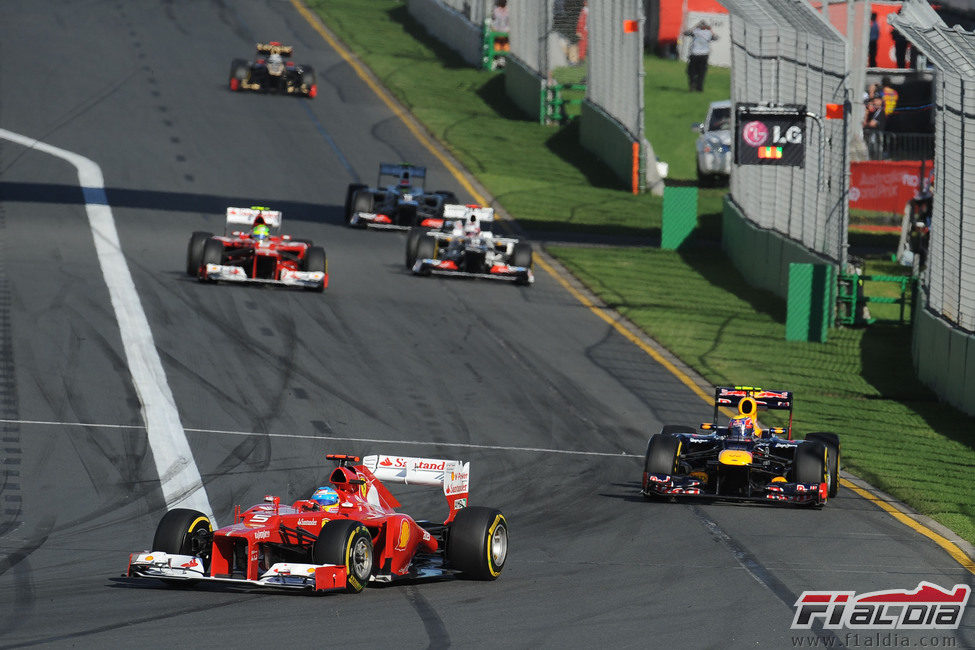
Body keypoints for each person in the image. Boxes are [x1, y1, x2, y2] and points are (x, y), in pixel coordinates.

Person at [683, 21, 717, 92]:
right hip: (704, 55)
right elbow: (716, 38)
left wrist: (694, 27)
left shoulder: (695, 32)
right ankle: (699, 88)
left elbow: (685, 33)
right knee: (702, 72)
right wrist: (711, 30)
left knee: (691, 71)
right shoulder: (709, 33)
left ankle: (692, 83)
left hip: (694, 54)